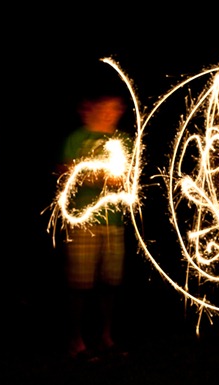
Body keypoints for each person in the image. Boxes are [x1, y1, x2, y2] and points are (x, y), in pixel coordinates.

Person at [58, 89, 132, 361]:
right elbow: (66, 172)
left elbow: (127, 177)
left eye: (116, 108)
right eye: (107, 107)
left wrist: (93, 175)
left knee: (110, 283)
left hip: (114, 222)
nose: (111, 113)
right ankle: (76, 340)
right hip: (84, 222)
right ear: (95, 107)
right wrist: (99, 177)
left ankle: (105, 337)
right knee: (80, 283)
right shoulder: (77, 138)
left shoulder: (123, 139)